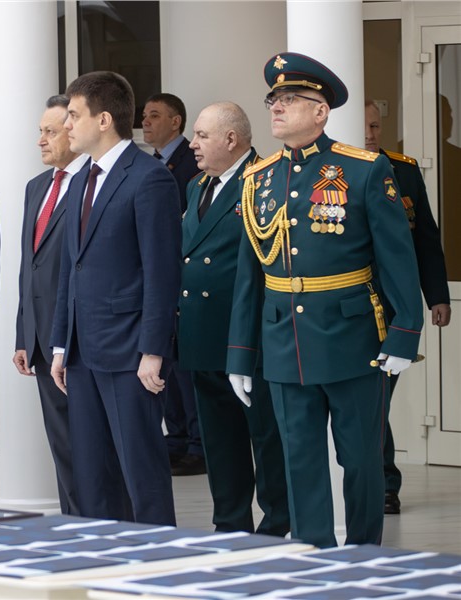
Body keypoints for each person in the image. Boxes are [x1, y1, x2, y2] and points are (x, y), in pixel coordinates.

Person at [227, 53, 423, 548]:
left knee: (360, 459)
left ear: (320, 112)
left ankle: (363, 554)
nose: (276, 107)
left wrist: (405, 331)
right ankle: (313, 554)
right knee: (299, 458)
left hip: (352, 338)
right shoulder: (258, 179)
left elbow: (397, 259)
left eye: (289, 99)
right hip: (282, 341)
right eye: (273, 99)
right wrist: (240, 354)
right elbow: (250, 275)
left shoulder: (363, 170)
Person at [50, 71, 182, 525]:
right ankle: (104, 556)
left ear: (104, 119)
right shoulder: (79, 179)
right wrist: (61, 343)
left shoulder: (149, 178)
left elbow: (162, 273)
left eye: (74, 115)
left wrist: (153, 351)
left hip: (130, 354)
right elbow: (71, 267)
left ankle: (159, 559)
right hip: (82, 353)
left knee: (141, 473)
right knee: (92, 474)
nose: (66, 125)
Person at [180, 102, 289, 536]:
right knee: (220, 443)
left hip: (249, 338)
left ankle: (277, 527)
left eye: (202, 135)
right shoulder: (197, 186)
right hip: (204, 335)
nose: (193, 144)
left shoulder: (265, 182)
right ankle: (230, 527)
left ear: (231, 139)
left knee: (267, 439)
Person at [364, 100, 452, 515]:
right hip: (342, 306)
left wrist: (437, 295)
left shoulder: (403, 170)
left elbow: (425, 239)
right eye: (364, 126)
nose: (370, 134)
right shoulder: (330, 173)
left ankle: (384, 483)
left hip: (390, 307)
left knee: (377, 399)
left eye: (375, 126)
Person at [13, 95, 88, 515]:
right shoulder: (37, 187)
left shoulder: (90, 184)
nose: (40, 140)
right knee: (63, 447)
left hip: (80, 337)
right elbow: (30, 266)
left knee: (91, 448)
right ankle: (74, 525)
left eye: (50, 132)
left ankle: (100, 528)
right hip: (41, 340)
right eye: (39, 132)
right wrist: (23, 334)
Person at [142, 93, 205, 475]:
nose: (145, 122)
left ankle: (198, 444)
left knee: (187, 370)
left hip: (187, 278)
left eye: (154, 116)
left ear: (176, 121)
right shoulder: (153, 163)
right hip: (163, 280)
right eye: (144, 116)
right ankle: (178, 438)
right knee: (168, 365)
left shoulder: (190, 162)